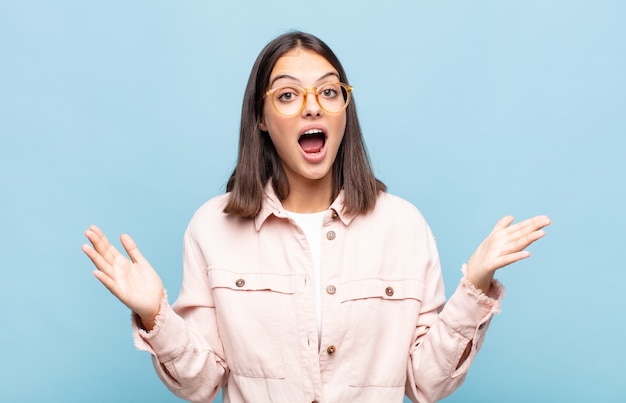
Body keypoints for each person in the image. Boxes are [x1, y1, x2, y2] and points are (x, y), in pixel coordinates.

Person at [82, 31, 551, 403]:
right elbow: (200, 385)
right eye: (287, 95)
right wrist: (154, 314)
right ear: (261, 118)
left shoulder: (404, 226)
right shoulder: (211, 227)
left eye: (329, 91)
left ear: (345, 109)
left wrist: (475, 288)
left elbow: (427, 383)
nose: (312, 105)